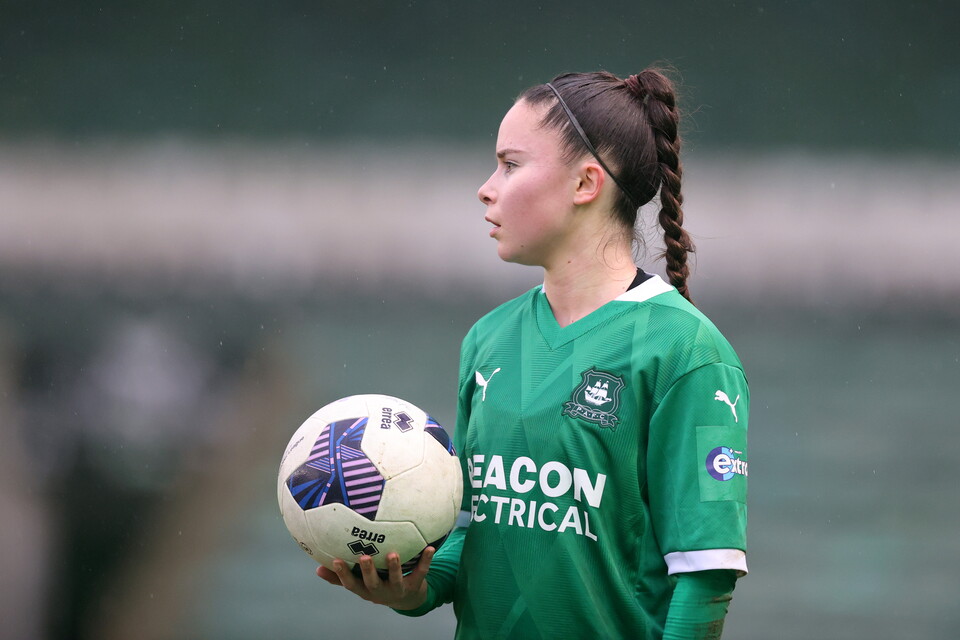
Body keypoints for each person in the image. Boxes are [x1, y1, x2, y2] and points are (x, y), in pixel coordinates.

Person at [318, 68, 749, 639]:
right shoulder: (488, 339)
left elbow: (705, 576)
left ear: (585, 183)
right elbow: (476, 531)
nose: (486, 188)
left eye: (510, 164)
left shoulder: (687, 351)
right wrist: (414, 588)